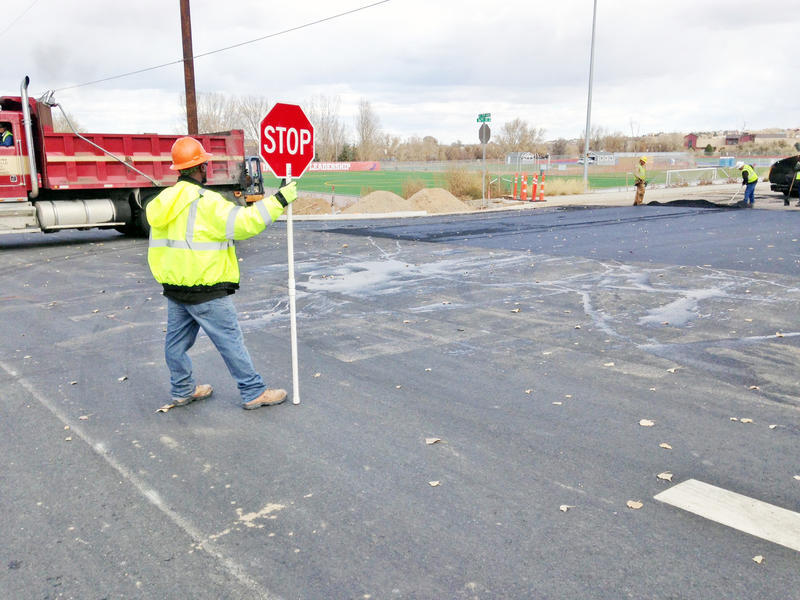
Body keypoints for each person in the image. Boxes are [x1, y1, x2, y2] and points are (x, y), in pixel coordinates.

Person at [146, 136, 297, 410]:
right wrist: (280, 201)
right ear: (201, 167)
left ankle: (182, 390)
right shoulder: (207, 202)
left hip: (175, 288)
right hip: (207, 289)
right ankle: (253, 391)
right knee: (230, 342)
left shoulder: (162, 201)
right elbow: (245, 223)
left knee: (175, 344)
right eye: (205, 165)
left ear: (178, 169)